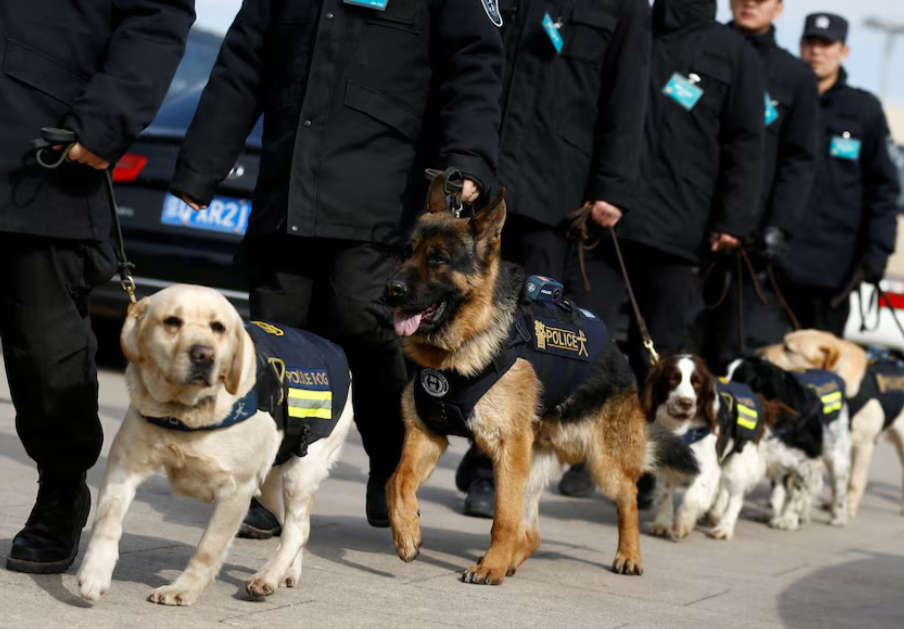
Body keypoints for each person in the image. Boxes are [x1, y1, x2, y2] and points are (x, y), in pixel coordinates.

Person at [171, 0, 504, 532]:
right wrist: (202, 164)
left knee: (364, 325)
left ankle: (392, 468)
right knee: (276, 334)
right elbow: (244, 60)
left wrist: (469, 159)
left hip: (380, 200)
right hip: (287, 190)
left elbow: (473, 64)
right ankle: (264, 481)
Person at [1, 0, 196, 574]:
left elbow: (156, 16)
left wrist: (105, 121)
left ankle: (61, 490)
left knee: (46, 354)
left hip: (45, 158)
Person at [559, 0, 765, 498]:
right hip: (607, 222)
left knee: (660, 357)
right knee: (588, 340)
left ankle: (648, 464)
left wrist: (732, 222)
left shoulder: (734, 53)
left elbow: (745, 144)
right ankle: (589, 451)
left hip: (681, 234)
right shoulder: (633, 21)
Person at [454, 0, 652, 516]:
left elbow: (627, 96)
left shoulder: (625, 7)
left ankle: (490, 470)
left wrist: (612, 187)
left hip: (554, 192)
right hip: (482, 177)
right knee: (463, 319)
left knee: (525, 339)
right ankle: (465, 434)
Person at [703, 0, 818, 372]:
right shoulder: (701, 45)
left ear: (779, 8)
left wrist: (778, 226)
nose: (749, 3)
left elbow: (799, 159)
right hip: (686, 218)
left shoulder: (794, 75)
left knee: (727, 350)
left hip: (746, 242)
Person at [777, 13, 900, 337]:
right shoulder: (781, 97)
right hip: (773, 264)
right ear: (800, 46)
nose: (817, 51)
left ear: (844, 51)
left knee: (820, 363)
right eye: (811, 42)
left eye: (826, 44)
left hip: (832, 272)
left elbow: (884, 189)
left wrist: (878, 252)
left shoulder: (864, 111)